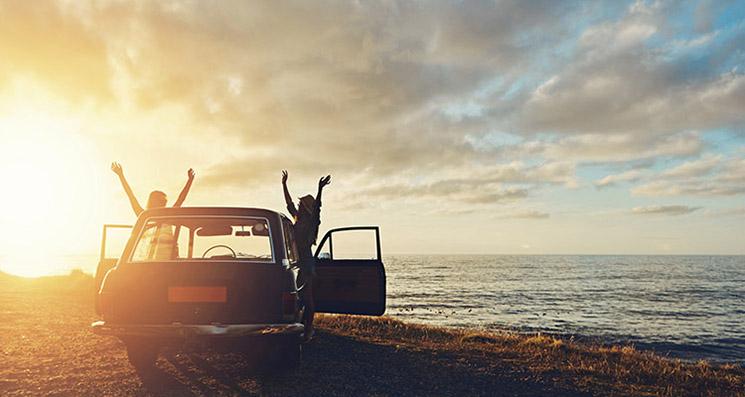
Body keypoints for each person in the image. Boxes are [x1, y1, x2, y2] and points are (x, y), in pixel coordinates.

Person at [282, 170, 331, 342]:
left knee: (308, 300)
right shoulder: (297, 218)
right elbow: (288, 204)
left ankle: (308, 330)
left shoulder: (312, 224)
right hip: (296, 263)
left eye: (303, 204)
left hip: (306, 265)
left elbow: (318, 209)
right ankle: (301, 327)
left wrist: (320, 190)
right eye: (300, 204)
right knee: (297, 299)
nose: (300, 205)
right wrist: (284, 184)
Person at [111, 162, 195, 260]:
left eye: (163, 202)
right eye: (159, 202)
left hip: (169, 263)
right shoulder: (145, 217)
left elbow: (181, 199)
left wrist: (190, 181)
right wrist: (121, 176)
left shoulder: (168, 216)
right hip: (150, 263)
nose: (162, 205)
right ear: (152, 203)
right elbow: (131, 196)